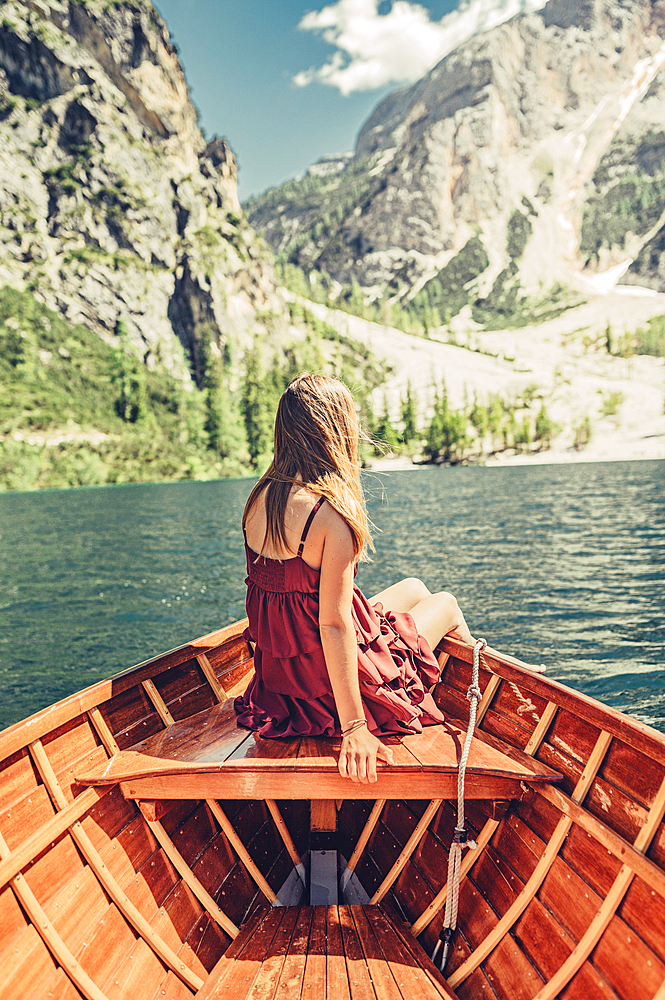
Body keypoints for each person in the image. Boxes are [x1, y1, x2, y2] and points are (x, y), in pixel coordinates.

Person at [235, 373, 476, 784]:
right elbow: (332, 623)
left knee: (415, 587)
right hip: (326, 691)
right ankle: (483, 679)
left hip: (283, 685)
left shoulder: (260, 498)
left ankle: (471, 669)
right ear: (337, 433)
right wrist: (354, 727)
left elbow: (293, 601)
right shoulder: (328, 517)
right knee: (448, 602)